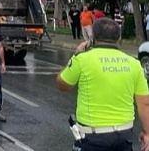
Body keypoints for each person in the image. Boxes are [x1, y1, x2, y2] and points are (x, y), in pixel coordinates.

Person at [56, 18, 149, 151]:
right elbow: (145, 103)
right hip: (124, 136)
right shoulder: (134, 64)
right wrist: (147, 133)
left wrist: (75, 55)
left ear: (92, 38)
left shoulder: (82, 59)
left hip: (93, 137)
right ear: (119, 39)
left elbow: (62, 85)